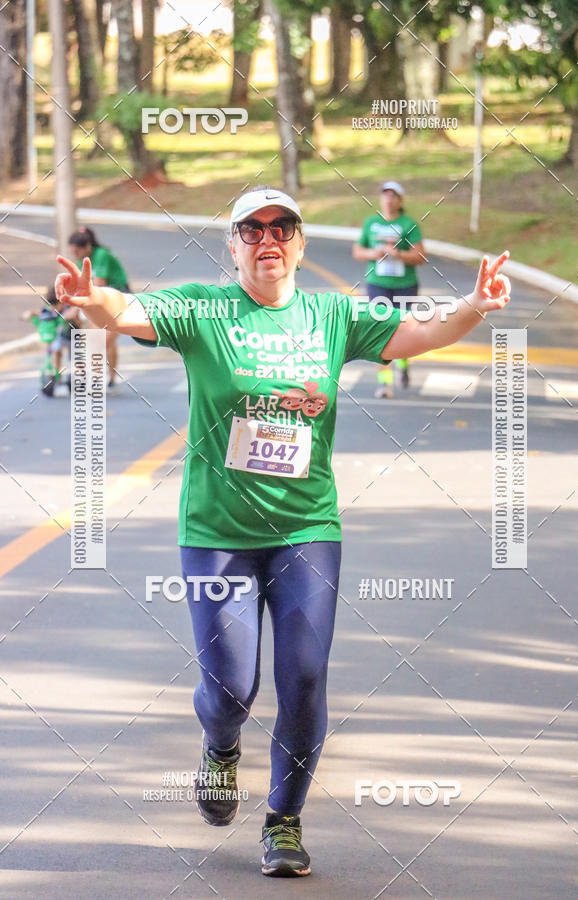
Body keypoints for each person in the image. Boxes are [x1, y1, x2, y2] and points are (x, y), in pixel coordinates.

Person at [54, 186, 511, 878]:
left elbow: (421, 333)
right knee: (233, 687)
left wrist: (476, 305)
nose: (268, 239)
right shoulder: (204, 309)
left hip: (306, 527)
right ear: (231, 245)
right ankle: (220, 743)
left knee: (303, 677)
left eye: (283, 227)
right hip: (216, 531)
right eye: (251, 228)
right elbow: (129, 311)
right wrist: (94, 303)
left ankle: (284, 821)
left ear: (299, 244)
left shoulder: (332, 315)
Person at [353, 180, 427, 395]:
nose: (388, 199)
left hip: (405, 284)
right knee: (381, 329)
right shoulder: (371, 224)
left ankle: (403, 362)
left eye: (393, 196)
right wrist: (373, 254)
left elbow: (421, 255)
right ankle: (384, 383)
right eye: (385, 195)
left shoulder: (408, 225)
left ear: (400, 200)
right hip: (378, 284)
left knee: (403, 327)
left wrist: (399, 255)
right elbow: (358, 251)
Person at [68, 226, 130, 390]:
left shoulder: (101, 255)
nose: (76, 255)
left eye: (78, 251)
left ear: (88, 247)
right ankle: (108, 378)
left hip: (118, 300)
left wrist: (76, 309)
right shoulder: (81, 261)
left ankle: (103, 377)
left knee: (103, 340)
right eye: (73, 252)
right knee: (94, 338)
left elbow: (98, 285)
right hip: (101, 303)